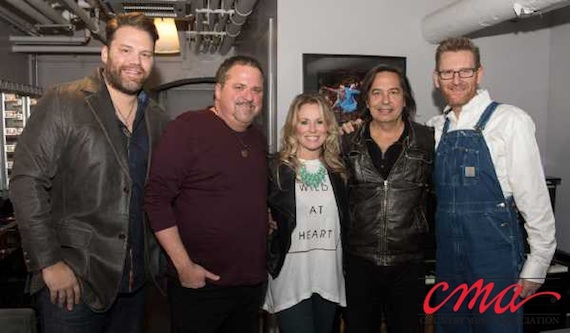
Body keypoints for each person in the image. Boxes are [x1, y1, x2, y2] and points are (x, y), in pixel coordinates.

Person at [9, 13, 170, 333]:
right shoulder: (64, 101)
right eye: (126, 50)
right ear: (106, 54)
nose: (135, 61)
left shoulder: (157, 119)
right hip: (74, 283)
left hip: (135, 287)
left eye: (145, 54)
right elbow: (27, 182)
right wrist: (49, 263)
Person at [426, 36, 556, 332]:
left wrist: (538, 264)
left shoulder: (511, 121)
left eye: (465, 71)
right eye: (448, 72)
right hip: (448, 259)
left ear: (479, 73)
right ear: (437, 78)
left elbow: (534, 198)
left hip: (494, 258)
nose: (456, 80)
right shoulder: (434, 129)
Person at [144, 55, 267, 333]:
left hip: (249, 286)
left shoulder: (257, 139)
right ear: (219, 90)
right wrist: (184, 266)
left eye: (256, 90)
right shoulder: (188, 128)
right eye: (239, 87)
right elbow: (156, 198)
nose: (249, 96)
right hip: (200, 286)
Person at [342, 64, 434, 333]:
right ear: (367, 100)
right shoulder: (347, 142)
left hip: (409, 265)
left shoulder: (428, 141)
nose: (385, 101)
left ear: (404, 98)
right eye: (377, 92)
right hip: (359, 264)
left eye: (393, 92)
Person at [264, 93, 348, 333]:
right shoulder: (275, 169)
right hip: (290, 278)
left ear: (328, 127)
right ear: (294, 127)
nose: (312, 129)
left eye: (319, 122)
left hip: (329, 277)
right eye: (304, 122)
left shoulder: (340, 170)